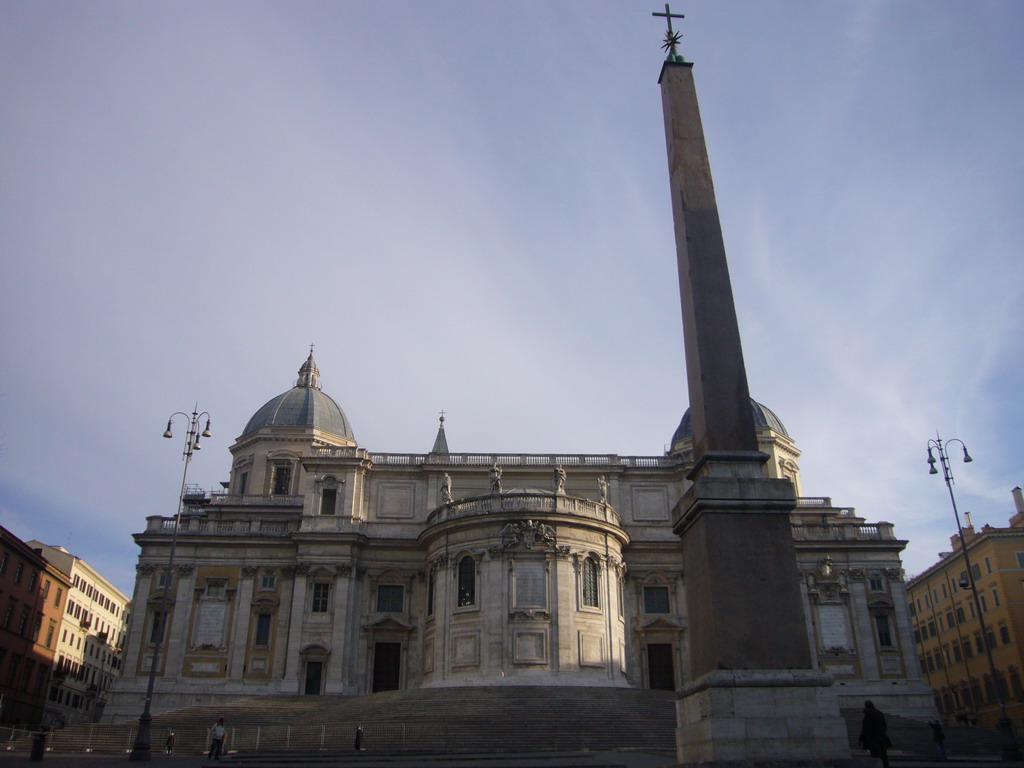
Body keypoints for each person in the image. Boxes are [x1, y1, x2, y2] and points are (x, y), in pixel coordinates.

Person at [858, 701, 891, 768]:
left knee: (876, 754)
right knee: (883, 754)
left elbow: (866, 728)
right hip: (881, 736)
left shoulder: (868, 714)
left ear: (866, 706)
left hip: (873, 738)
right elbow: (884, 725)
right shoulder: (879, 713)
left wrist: (861, 739)